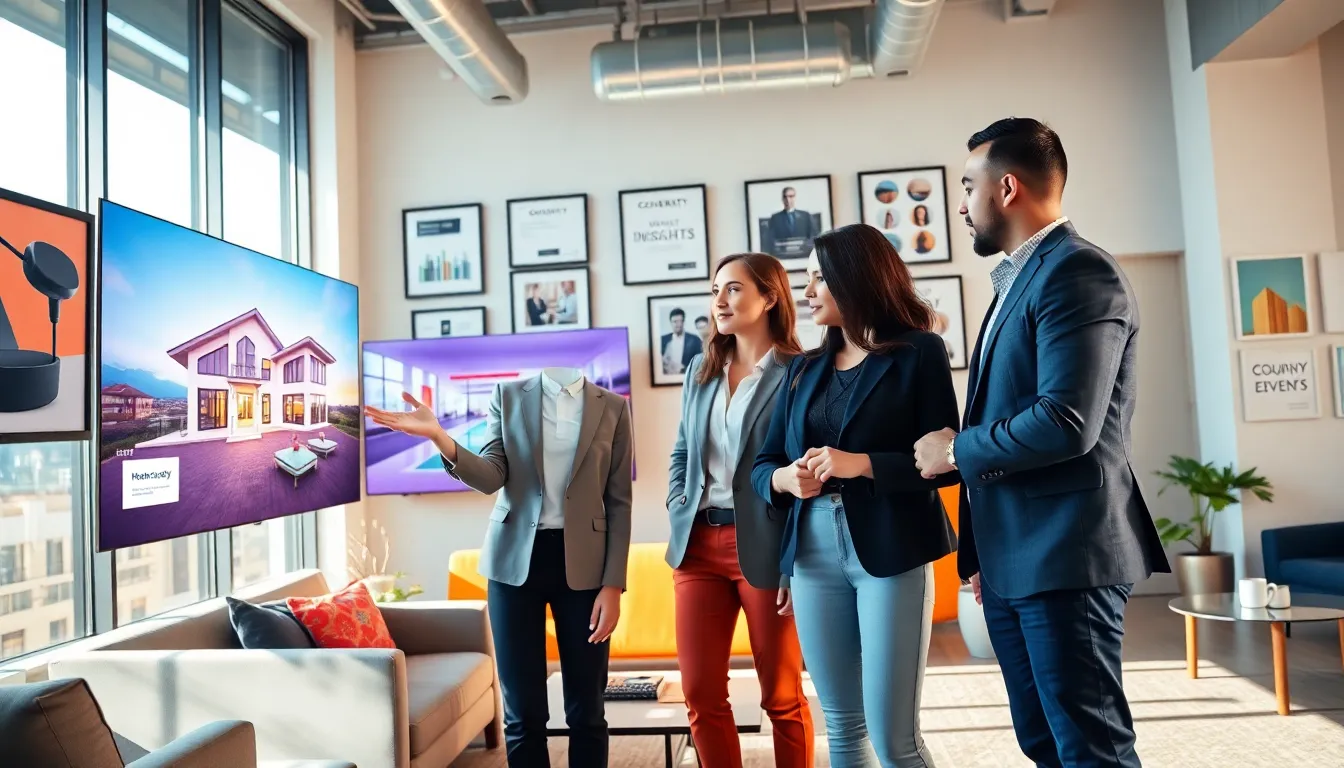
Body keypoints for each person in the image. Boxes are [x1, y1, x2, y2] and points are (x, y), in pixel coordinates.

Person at [913, 117, 1169, 768]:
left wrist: (956, 450)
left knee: (1090, 751)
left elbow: (1065, 421)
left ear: (1005, 188)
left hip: (1065, 557)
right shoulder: (1017, 281)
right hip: (1015, 559)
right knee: (1046, 745)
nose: (960, 204)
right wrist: (981, 554)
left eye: (966, 186)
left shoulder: (1079, 273)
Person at [751, 224, 960, 768]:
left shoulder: (919, 353)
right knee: (842, 733)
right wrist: (784, 479)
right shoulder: (802, 370)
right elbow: (762, 465)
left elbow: (946, 464)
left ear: (857, 277)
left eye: (819, 278)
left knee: (896, 741)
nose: (808, 291)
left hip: (891, 550)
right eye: (808, 279)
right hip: (812, 554)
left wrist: (863, 465)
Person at [364, 373, 634, 768]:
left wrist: (613, 585)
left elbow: (619, 502)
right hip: (512, 565)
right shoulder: (507, 396)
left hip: (587, 569)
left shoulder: (612, 406)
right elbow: (491, 476)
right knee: (522, 715)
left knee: (587, 711)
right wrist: (439, 435)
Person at [666, 252, 813, 768]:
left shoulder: (800, 372)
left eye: (732, 289)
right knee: (701, 693)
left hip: (768, 546)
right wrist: (676, 503)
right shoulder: (700, 371)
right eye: (715, 290)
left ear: (770, 297)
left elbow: (803, 471)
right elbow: (683, 450)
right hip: (697, 546)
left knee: (781, 694)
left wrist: (797, 560)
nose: (719, 300)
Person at [765, 186, 819, 258]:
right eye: (785, 197)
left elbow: (814, 235)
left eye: (791, 196)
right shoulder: (775, 218)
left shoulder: (806, 215)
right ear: (782, 199)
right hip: (783, 255)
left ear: (795, 198)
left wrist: (807, 245)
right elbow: (770, 239)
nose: (788, 199)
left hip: (803, 254)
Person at [661, 307, 703, 375]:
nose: (678, 325)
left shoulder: (695, 340)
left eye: (681, 321)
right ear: (670, 322)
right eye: (675, 321)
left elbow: (701, 363)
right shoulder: (662, 340)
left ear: (684, 322)